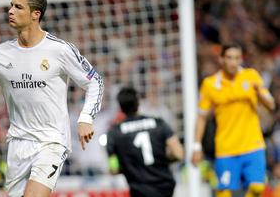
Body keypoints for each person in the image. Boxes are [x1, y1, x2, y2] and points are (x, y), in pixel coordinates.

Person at [0, 0, 104, 197]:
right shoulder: (2, 53)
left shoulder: (60, 50)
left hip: (51, 142)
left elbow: (95, 82)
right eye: (11, 5)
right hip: (18, 144)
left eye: (18, 7)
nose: (10, 11)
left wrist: (86, 118)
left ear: (36, 14)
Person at [192, 44, 275, 197]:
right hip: (226, 148)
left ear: (241, 59)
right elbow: (201, 117)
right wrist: (197, 146)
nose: (233, 62)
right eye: (229, 58)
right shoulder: (210, 85)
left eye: (237, 58)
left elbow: (271, 105)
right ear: (221, 59)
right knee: (224, 193)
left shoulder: (251, 76)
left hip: (252, 145)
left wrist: (260, 93)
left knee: (257, 188)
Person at [106, 86, 184, 197]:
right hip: (165, 187)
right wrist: (161, 158)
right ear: (138, 103)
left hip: (139, 190)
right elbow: (179, 153)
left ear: (121, 107)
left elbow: (113, 169)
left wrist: (131, 164)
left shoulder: (114, 132)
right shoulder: (158, 123)